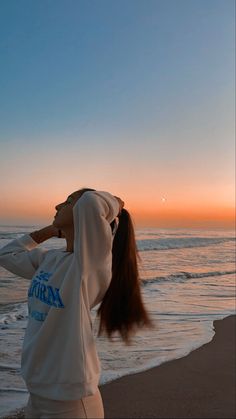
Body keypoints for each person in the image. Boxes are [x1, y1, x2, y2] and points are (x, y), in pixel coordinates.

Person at [0, 188, 153, 418]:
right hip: (36, 391)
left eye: (68, 201)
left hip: (71, 401)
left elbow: (91, 202)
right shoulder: (50, 259)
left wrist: (115, 204)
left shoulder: (90, 265)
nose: (57, 206)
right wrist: (50, 231)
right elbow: (7, 255)